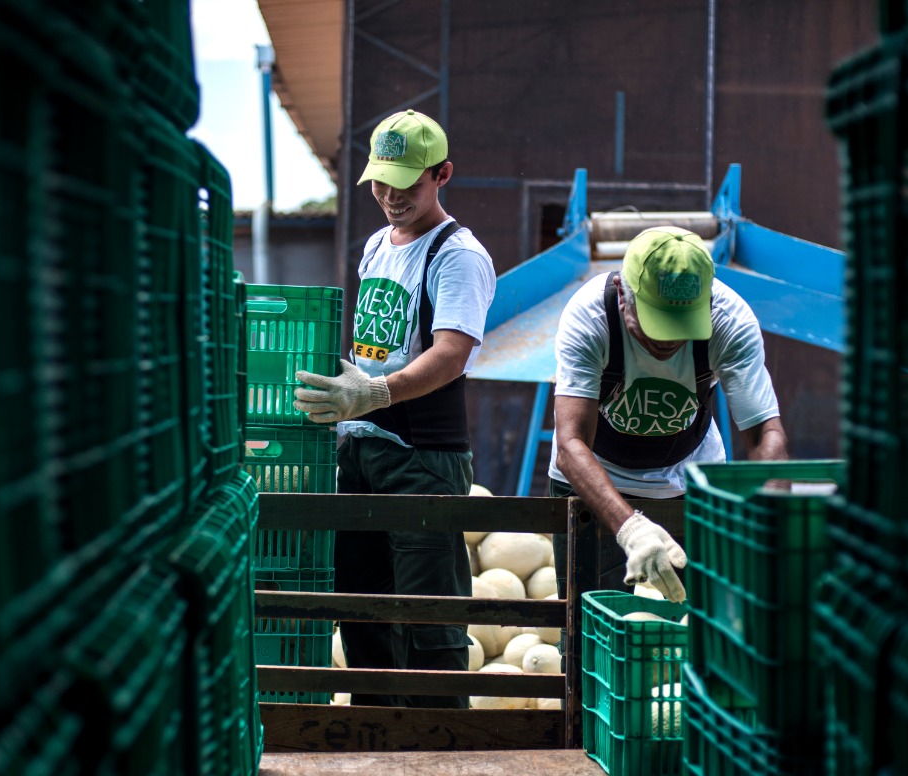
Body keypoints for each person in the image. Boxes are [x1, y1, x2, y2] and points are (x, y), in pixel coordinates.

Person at [292, 109, 496, 708]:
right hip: (360, 452)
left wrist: (378, 394)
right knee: (362, 613)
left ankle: (438, 754)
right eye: (381, 180)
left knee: (429, 621)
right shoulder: (378, 245)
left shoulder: (459, 255)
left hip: (421, 458)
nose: (390, 195)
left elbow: (453, 353)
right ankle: (375, 739)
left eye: (407, 182)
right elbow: (371, 346)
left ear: (443, 175)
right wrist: (349, 408)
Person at [549, 225, 788, 603]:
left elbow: (763, 435)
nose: (669, 340)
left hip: (689, 474)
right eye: (656, 323)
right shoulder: (590, 316)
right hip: (595, 475)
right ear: (624, 298)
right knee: (586, 629)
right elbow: (570, 443)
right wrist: (630, 529)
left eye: (682, 326)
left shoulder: (729, 320)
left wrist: (775, 529)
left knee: (706, 625)